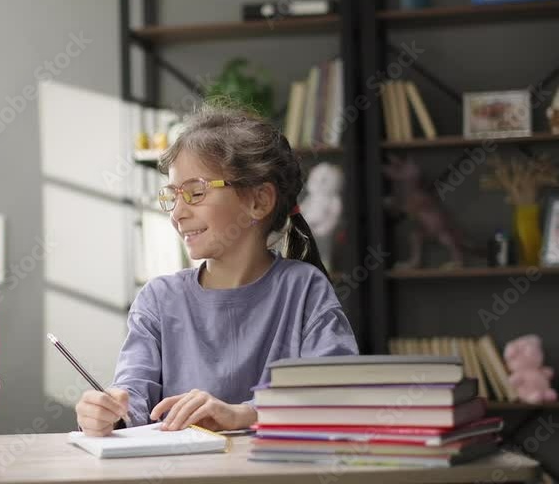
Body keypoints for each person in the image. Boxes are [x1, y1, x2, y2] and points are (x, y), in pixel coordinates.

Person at [76, 103, 358, 436]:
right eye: (172, 195)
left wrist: (245, 414)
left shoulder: (304, 290)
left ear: (258, 201)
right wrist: (109, 414)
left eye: (195, 193)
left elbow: (332, 395)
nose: (177, 213)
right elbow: (133, 398)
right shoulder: (158, 299)